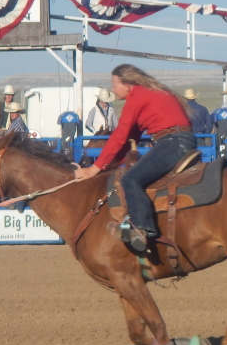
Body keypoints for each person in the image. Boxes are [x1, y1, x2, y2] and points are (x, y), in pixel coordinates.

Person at [73, 64, 195, 252]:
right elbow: (131, 137)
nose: (113, 89)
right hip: (178, 139)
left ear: (127, 85)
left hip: (172, 142)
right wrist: (112, 164)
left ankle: (143, 229)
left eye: (115, 85)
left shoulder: (137, 96)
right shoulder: (149, 93)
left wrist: (95, 168)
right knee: (130, 173)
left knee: (131, 179)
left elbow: (120, 134)